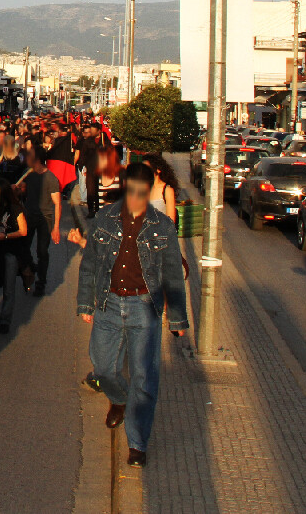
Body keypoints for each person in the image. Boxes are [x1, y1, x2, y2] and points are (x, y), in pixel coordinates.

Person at [77, 161, 188, 468]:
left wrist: (177, 319)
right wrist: (85, 304)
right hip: (108, 303)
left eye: (143, 191)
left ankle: (137, 442)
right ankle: (120, 399)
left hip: (144, 307)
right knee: (103, 368)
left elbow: (172, 275)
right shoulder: (105, 218)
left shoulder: (161, 226)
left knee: (144, 377)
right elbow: (89, 264)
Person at [0, 182, 29, 334]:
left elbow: (23, 231)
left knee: (9, 288)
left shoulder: (15, 208)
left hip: (11, 250)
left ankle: (5, 320)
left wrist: (7, 236)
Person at [17, 140, 60, 296]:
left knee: (42, 251)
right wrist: (18, 189)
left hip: (45, 218)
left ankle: (41, 283)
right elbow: (22, 191)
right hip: (29, 216)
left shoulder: (50, 178)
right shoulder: (28, 174)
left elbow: (57, 204)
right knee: (23, 247)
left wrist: (55, 227)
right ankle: (30, 269)